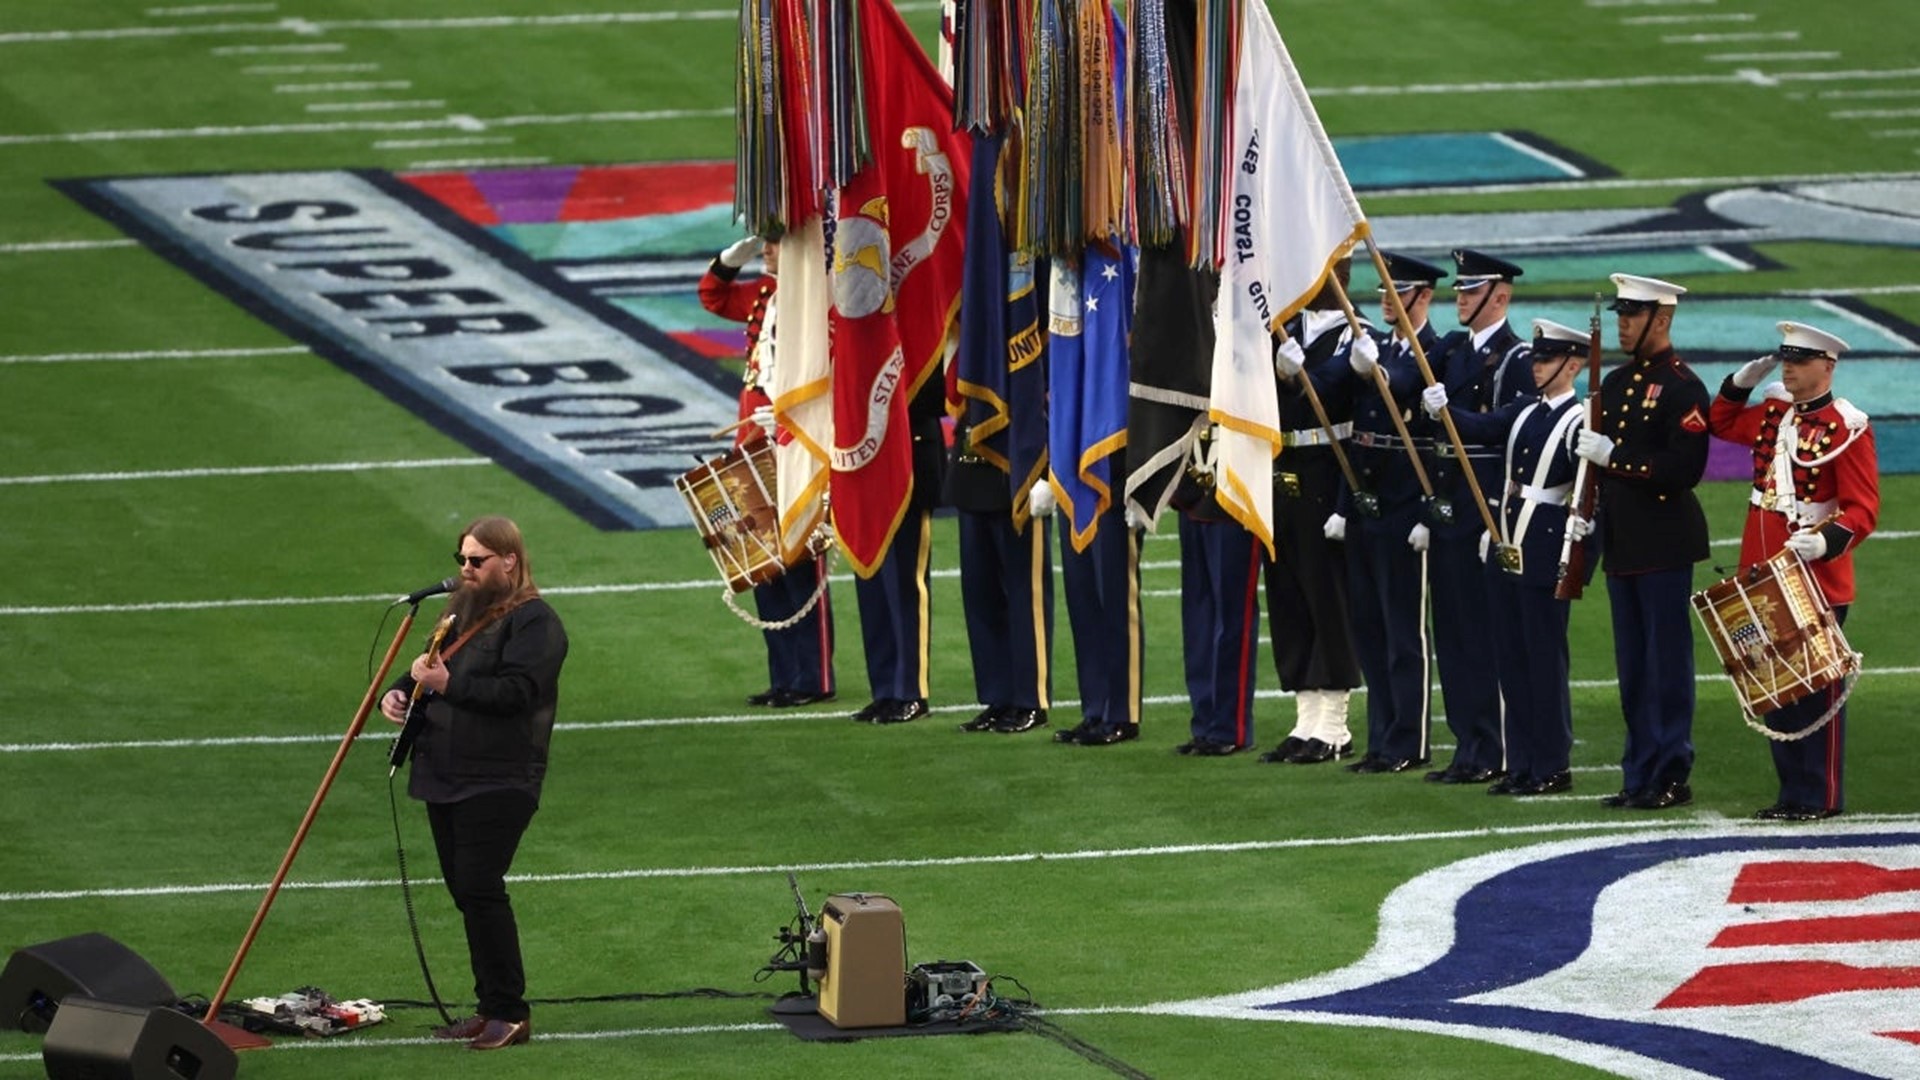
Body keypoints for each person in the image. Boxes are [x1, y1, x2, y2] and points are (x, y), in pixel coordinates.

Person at [380, 515, 568, 1051]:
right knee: (467, 891)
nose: (466, 570)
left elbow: (517, 694)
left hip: (499, 775)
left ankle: (509, 1012)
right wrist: (398, 692)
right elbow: (430, 664)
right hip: (445, 770)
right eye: (461, 559)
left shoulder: (536, 623)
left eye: (477, 561)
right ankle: (491, 1007)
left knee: (481, 888)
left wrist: (447, 683)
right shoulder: (460, 609)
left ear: (509, 561)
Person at [1707, 321, 1879, 820]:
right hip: (1761, 571)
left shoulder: (1846, 428)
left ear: (1827, 367)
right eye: (1786, 358)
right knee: (1774, 688)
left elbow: (1862, 508)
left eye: (1800, 360)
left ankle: (1819, 796)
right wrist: (1738, 384)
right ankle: (1791, 793)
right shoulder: (1775, 414)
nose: (1788, 367)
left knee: (1814, 691)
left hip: (1814, 575)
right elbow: (1720, 422)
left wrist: (1825, 540)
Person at [1424, 319, 1588, 796]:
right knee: (1511, 662)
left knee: (1544, 661)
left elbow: (1585, 500)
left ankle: (1551, 763)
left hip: (1544, 548)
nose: (1537, 367)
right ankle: (1520, 762)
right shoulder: (1524, 411)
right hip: (1507, 545)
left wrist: (1576, 558)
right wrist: (1445, 412)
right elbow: (1480, 428)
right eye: (1536, 358)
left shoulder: (1578, 420)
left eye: (1547, 359)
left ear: (1572, 365)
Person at [1572, 273, 1711, 811]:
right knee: (1633, 667)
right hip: (1624, 542)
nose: (1623, 324)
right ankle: (1639, 772)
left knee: (1665, 665)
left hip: (1664, 543)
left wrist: (1616, 459)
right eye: (1621, 314)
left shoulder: (1683, 388)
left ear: (1663, 319)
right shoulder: (1617, 381)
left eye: (1632, 315)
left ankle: (1671, 771)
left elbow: (1685, 470)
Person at [697, 236, 837, 709]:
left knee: (800, 561)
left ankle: (813, 677)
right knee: (763, 567)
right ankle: (783, 675)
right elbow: (712, 296)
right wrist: (729, 259)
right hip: (753, 447)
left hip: (794, 444)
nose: (767, 252)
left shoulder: (818, 299)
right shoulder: (765, 294)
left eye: (776, 244)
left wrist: (784, 414)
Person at [1422, 248, 1531, 785]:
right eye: (1460, 290)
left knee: (1485, 635)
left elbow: (1508, 426)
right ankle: (1468, 743)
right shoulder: (1453, 352)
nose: (1460, 298)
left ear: (1500, 295)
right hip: (1448, 503)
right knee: (1454, 632)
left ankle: (1495, 746)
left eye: (1471, 290)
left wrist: (1451, 413)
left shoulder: (1518, 358)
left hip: (1485, 507)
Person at [1257, 264, 1363, 766]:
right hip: (1283, 466)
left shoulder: (1355, 336)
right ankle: (1304, 717)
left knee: (1327, 594)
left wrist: (1293, 372)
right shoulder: (1288, 329)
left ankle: (1335, 723)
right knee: (1288, 591)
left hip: (1326, 470)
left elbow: (1332, 388)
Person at [1335, 253, 1432, 775]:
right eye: (1383, 292)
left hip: (1404, 507)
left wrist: (1375, 368)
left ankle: (1408, 739)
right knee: (1370, 630)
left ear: (1422, 297)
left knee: (1403, 633)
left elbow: (1403, 385)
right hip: (1368, 503)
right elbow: (1353, 424)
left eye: (1398, 291)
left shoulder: (1432, 350)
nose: (1386, 300)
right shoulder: (1379, 347)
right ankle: (1380, 737)